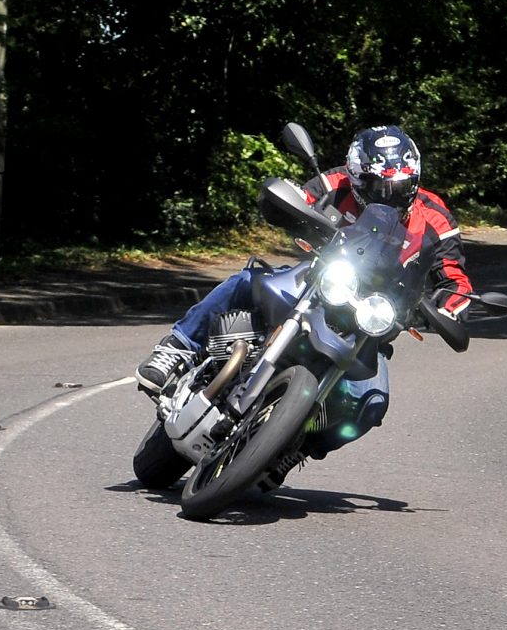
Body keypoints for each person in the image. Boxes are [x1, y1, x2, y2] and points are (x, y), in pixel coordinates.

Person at [135, 126, 474, 443]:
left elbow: (454, 278)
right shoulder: (336, 183)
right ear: (356, 176)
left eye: (398, 187)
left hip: (369, 320)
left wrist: (447, 309)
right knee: (249, 281)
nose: (388, 195)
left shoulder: (437, 218)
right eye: (376, 186)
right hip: (322, 281)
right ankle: (177, 347)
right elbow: (301, 198)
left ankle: (296, 443)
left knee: (371, 402)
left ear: (413, 179)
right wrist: (287, 202)